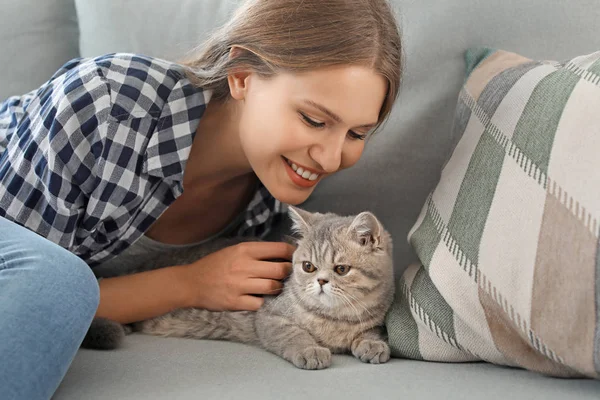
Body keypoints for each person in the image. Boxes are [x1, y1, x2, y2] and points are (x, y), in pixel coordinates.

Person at [0, 0, 402, 398]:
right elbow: (28, 295)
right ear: (242, 75)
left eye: (357, 134)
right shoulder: (105, 106)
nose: (332, 158)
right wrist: (188, 284)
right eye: (314, 120)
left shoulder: (273, 201)